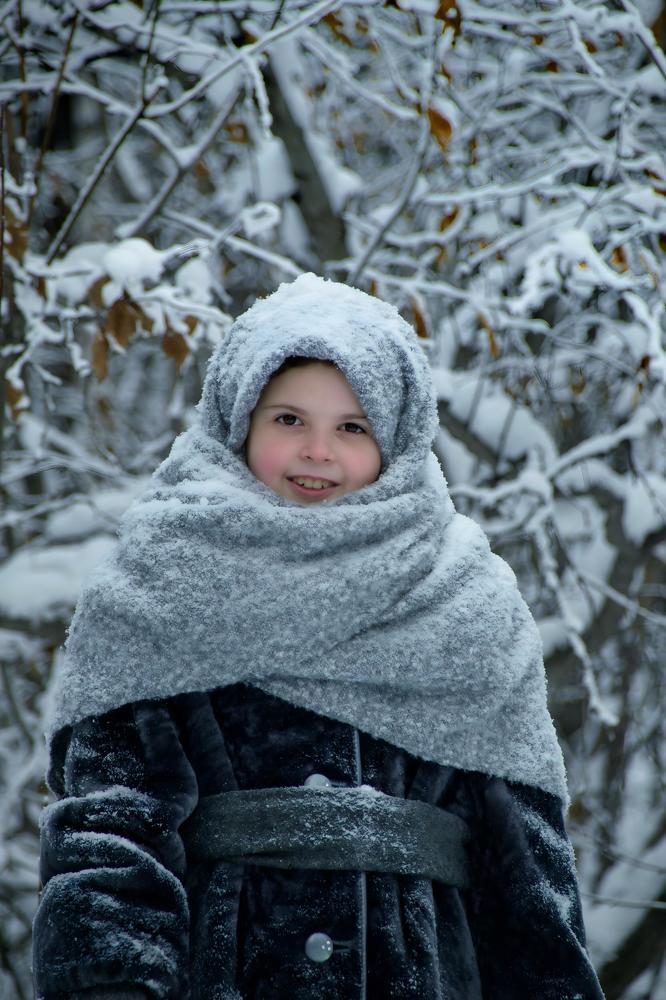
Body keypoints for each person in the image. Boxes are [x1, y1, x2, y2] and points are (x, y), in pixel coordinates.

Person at [33, 273, 604, 999]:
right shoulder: (154, 582)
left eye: (352, 427)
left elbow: (530, 884)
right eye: (289, 420)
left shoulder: (469, 601)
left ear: (396, 439)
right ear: (239, 419)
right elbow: (109, 842)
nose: (318, 451)